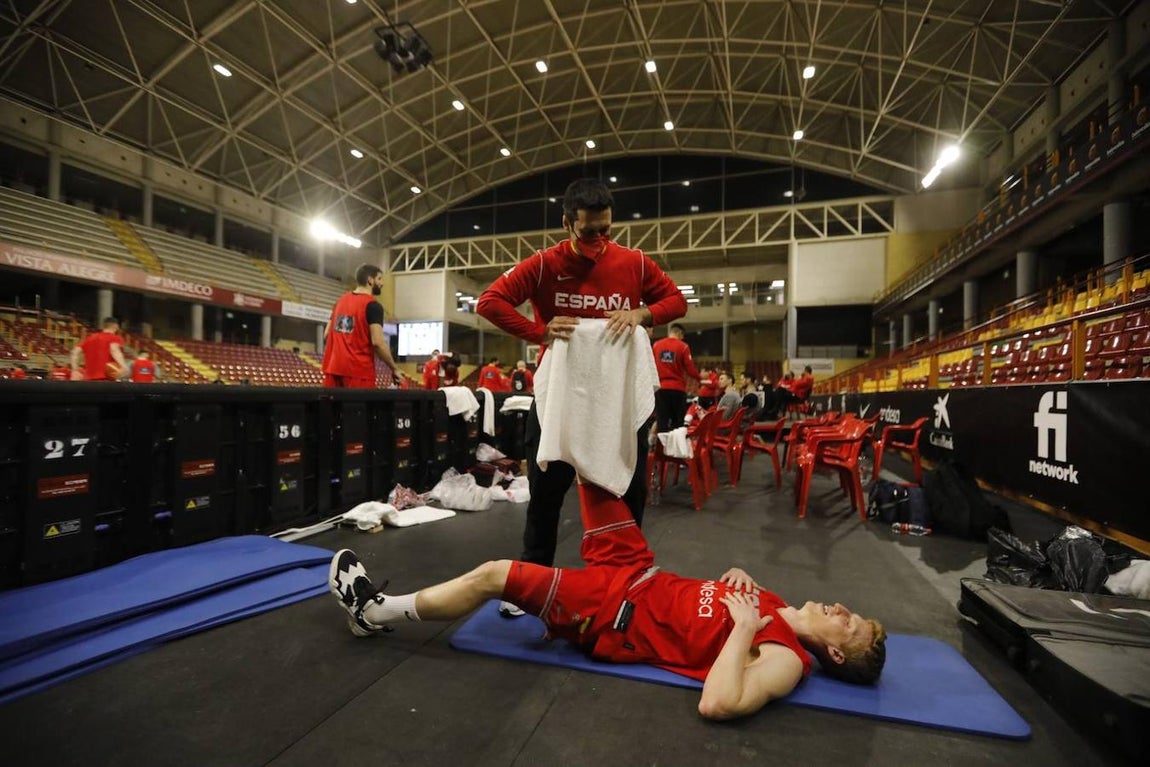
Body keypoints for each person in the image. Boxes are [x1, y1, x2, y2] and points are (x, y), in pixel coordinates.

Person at [328, 481, 886, 720]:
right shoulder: (781, 605)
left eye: (848, 624)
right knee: (597, 472)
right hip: (638, 572)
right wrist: (739, 584)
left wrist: (742, 628)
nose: (840, 608)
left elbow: (717, 704)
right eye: (849, 609)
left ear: (835, 654)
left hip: (613, 611)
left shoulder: (788, 659)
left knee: (494, 574)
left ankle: (374, 612)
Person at [476, 177, 687, 615]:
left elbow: (675, 301)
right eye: (588, 231)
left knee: (627, 491)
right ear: (567, 223)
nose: (597, 240)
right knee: (546, 490)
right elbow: (489, 302)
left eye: (605, 230)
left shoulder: (633, 262)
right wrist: (538, 331)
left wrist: (641, 313)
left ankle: (628, 581)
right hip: (559, 399)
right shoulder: (543, 264)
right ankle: (531, 582)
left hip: (615, 402)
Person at [322, 264, 405, 388]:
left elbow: (326, 335)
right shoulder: (372, 305)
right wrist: (394, 368)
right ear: (370, 280)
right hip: (358, 373)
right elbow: (378, 343)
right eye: (380, 279)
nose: (382, 283)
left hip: (333, 371)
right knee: (359, 408)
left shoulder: (340, 301)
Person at [651, 324, 701, 433]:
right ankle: (675, 449)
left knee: (662, 421)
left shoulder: (656, 345)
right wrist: (699, 378)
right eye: (682, 336)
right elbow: (690, 369)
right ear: (679, 333)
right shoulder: (683, 346)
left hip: (660, 388)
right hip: (677, 389)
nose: (682, 338)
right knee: (678, 423)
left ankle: (661, 448)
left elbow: (651, 366)